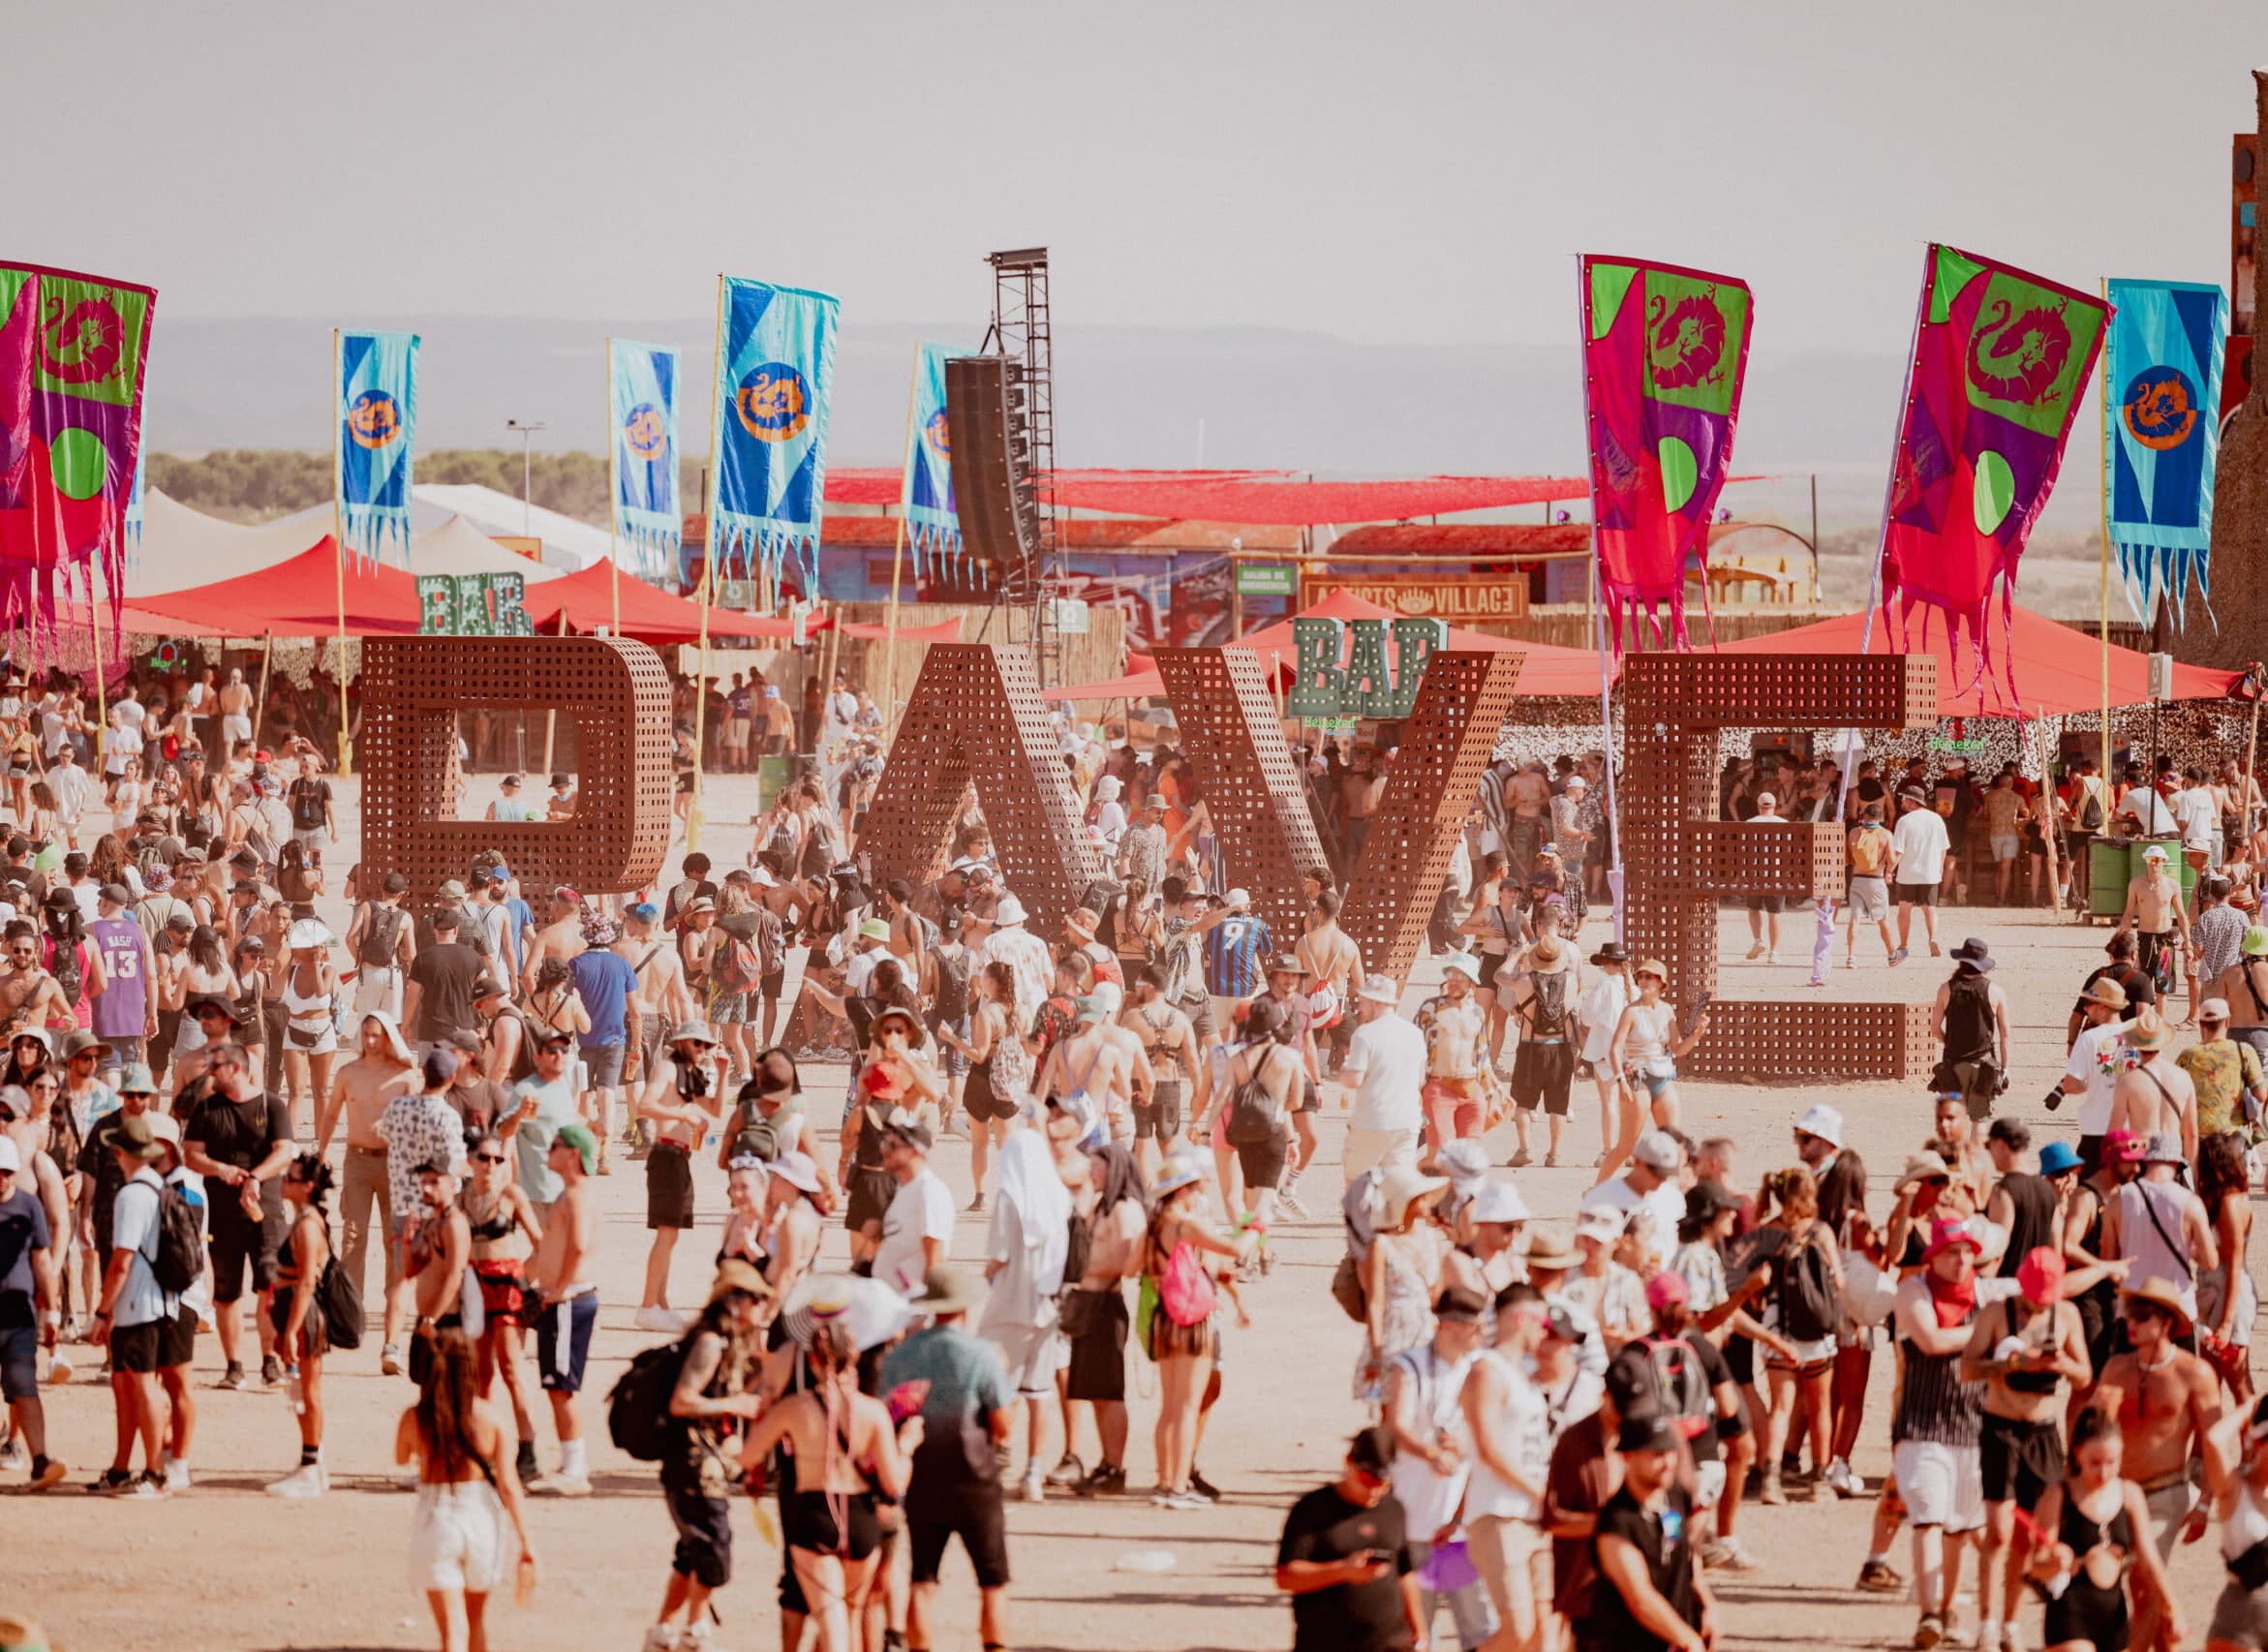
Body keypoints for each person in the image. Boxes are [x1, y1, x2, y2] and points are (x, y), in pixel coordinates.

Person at [737, 1314, 920, 1652]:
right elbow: (894, 1484)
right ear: (854, 1358)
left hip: (815, 1515)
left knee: (831, 1625)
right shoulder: (873, 1411)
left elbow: (747, 1456)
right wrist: (906, 1447)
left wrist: (760, 1409)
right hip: (861, 1520)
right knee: (847, 1619)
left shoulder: (795, 1408)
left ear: (811, 1359)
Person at [880, 1266, 1017, 1652]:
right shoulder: (982, 1355)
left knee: (923, 1578)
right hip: (976, 1479)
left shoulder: (902, 1355)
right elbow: (1003, 1426)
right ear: (964, 1308)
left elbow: (887, 1413)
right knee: (992, 1580)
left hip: (921, 1476)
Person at [645, 1259, 771, 1652]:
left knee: (691, 1551)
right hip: (691, 1465)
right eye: (755, 1300)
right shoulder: (709, 1342)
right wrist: (735, 1405)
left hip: (707, 1464)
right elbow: (683, 1401)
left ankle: (664, 1631)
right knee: (715, 1549)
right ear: (733, 1302)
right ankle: (696, 1631)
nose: (761, 1307)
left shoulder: (732, 1342)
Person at [398, 1325, 536, 1652]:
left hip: (437, 1517)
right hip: (481, 1517)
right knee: (474, 1623)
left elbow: (401, 1456)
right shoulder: (490, 1417)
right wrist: (527, 1543)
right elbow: (509, 1484)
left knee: (452, 1635)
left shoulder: (416, 1417)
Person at [1889, 1219, 1995, 1648]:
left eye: (1968, 1251)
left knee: (1958, 1529)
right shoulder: (1914, 1290)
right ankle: (1928, 1613)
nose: (1962, 1260)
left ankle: (1946, 1611)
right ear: (1933, 1255)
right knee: (1929, 1519)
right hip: (1922, 1425)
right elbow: (1931, 1341)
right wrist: (1988, 1331)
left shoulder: (1987, 1293)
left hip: (1974, 1426)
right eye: (1953, 1252)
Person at [1383, 1284, 1493, 1652]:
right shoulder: (1409, 1365)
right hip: (1415, 1520)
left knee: (1479, 1630)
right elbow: (1396, 1426)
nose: (1480, 1334)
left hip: (1464, 1525)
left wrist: (1468, 1444)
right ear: (1449, 1325)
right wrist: (1431, 1452)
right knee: (1414, 1630)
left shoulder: (1480, 1368)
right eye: (1474, 1327)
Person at [179, 1037, 292, 1389]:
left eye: (216, 1068)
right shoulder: (207, 1108)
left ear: (237, 1068)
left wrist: (257, 1176)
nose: (210, 1074)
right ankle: (234, 1365)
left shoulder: (271, 1105)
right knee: (226, 1294)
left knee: (268, 1287)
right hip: (223, 1214)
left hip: (266, 1211)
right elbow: (191, 1154)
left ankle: (270, 1359)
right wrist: (220, 1169)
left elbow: (286, 1151)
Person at [1145, 1151, 1252, 1506]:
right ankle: (1178, 1486)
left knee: (1169, 1408)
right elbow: (1233, 1248)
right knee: (1188, 1408)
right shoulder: (1185, 1225)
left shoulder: (1155, 1224)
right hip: (1191, 1321)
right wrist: (1256, 1229)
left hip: (1163, 1317)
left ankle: (1164, 1483)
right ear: (1183, 1190)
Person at [2026, 1409, 2182, 1652]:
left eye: (2112, 1462)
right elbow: (2035, 1566)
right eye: (2095, 1463)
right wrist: (2055, 1562)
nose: (2104, 1473)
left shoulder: (2129, 1494)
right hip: (2070, 1612)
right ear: (2078, 1455)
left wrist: (2171, 1607)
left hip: (2113, 1616)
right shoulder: (2059, 1495)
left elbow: (2150, 1560)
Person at [1274, 1425, 1427, 1652]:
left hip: (1392, 1643)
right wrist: (1343, 1570)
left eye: (1381, 1484)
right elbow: (1286, 1576)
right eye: (1366, 1481)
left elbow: (1404, 1573)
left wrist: (1419, 1629)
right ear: (1348, 1462)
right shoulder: (1312, 1510)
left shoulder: (1394, 1509)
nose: (1373, 1492)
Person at [90, 1111, 176, 1497]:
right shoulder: (158, 1187)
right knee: (127, 1387)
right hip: (152, 1303)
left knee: (141, 1389)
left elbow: (120, 1262)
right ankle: (122, 1467)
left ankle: (155, 1472)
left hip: (137, 1306)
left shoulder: (132, 1194)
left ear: (122, 1152)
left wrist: (101, 1311)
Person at [1587, 1411, 1716, 1652]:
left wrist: (1707, 1604)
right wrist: (1686, 1638)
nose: (1668, 1463)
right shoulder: (1617, 1524)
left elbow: (1684, 1554)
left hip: (1673, 1638)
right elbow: (1640, 1598)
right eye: (1657, 1454)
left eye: (1671, 1452)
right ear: (1628, 1456)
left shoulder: (1674, 1496)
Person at [377, 1053, 472, 1376]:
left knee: (402, 1279)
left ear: (423, 1073)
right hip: (436, 1210)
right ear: (450, 1079)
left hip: (403, 1206)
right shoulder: (448, 1117)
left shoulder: (397, 1107)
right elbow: (455, 1164)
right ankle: (436, 1339)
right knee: (444, 1277)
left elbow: (384, 1134)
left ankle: (391, 1344)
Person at [460, 1127, 544, 1489]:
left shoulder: (511, 1195)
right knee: (480, 1371)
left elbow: (542, 1243)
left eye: (497, 1159)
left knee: (510, 1368)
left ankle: (527, 1449)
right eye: (484, 1158)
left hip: (506, 1287)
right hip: (475, 1285)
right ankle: (483, 1444)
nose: (491, 1165)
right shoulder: (462, 1197)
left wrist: (523, 1277)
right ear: (471, 1160)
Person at [634, 1021, 726, 1332]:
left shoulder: (690, 1073)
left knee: (670, 1234)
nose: (702, 1051)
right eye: (697, 1044)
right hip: (666, 1155)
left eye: (706, 1046)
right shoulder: (668, 1068)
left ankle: (659, 1304)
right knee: (665, 1233)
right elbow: (645, 1105)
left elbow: (715, 1110)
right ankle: (648, 1305)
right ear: (683, 1042)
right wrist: (681, 1115)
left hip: (680, 1157)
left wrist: (723, 1073)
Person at [531, 1122, 599, 1497]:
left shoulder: (575, 1197)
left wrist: (557, 1291)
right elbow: (547, 1249)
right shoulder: (571, 1194)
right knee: (558, 1385)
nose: (548, 1150)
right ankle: (569, 1464)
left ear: (572, 1154)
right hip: (565, 1296)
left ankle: (575, 1469)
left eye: (555, 1145)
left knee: (562, 1387)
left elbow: (576, 1247)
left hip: (569, 1299)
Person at [265, 1152, 336, 1499]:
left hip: (302, 1316)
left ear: (307, 1187)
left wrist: (291, 1331)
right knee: (301, 1390)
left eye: (290, 1179)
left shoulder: (308, 1225)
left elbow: (307, 1280)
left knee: (307, 1391)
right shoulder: (304, 1219)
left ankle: (310, 1465)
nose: (283, 1182)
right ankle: (313, 1461)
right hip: (294, 1313)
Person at [0, 1130, 64, 1491]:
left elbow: (42, 1259)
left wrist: (52, 1312)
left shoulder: (28, 1205)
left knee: (24, 1385)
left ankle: (39, 1460)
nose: (1, 1179)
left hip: (19, 1314)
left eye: (7, 1172)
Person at [1607, 961, 1706, 1135]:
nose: (1643, 981)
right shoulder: (1631, 1011)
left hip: (1662, 1075)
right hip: (1637, 1077)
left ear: (1661, 982)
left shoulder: (1667, 1010)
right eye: (1640, 977)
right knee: (1628, 1144)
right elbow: (1615, 1049)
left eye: (1649, 976)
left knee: (1672, 1137)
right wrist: (1620, 1080)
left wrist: (1697, 1034)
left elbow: (1678, 1049)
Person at [1341, 975, 1425, 1181]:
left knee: (1357, 1186)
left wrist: (1344, 1070)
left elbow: (1353, 1081)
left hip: (1373, 1120)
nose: (1359, 1008)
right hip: (1407, 1121)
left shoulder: (1365, 1034)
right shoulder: (1414, 1033)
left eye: (1362, 1002)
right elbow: (1421, 1079)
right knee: (1398, 1188)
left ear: (1375, 1003)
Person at [1931, 936, 2010, 1118]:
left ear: (1961, 961)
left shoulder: (1946, 989)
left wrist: (1949, 1043)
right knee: (1978, 1121)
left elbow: (1935, 1028)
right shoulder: (1996, 991)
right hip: (1984, 1064)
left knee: (1954, 1122)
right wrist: (2005, 1069)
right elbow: (2005, 1035)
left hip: (1953, 1062)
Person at [1892, 786, 1952, 963]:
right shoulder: (1936, 819)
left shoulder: (1904, 821)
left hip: (1907, 872)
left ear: (1911, 801)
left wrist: (1889, 869)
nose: (1902, 802)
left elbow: (1898, 850)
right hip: (1930, 871)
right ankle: (1932, 937)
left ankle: (1903, 945)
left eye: (1904, 799)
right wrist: (1939, 868)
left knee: (1904, 909)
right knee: (1930, 909)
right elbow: (1943, 848)